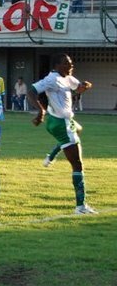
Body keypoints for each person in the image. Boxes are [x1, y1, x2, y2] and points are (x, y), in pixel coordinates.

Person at [26, 54, 96, 214]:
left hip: (62, 121)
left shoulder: (67, 77)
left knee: (78, 130)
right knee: (77, 164)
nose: (71, 66)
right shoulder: (51, 79)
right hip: (60, 123)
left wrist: (83, 87)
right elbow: (31, 92)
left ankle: (51, 156)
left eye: (71, 63)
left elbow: (77, 88)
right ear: (57, 65)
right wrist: (40, 110)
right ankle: (81, 207)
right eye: (67, 63)